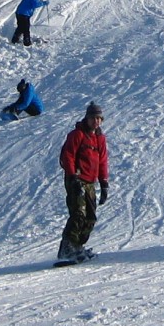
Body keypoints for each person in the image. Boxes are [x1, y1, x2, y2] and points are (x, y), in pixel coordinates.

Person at [56, 103, 110, 265]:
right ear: (87, 118)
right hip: (76, 179)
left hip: (90, 181)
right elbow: (68, 156)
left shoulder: (100, 138)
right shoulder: (77, 135)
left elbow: (102, 161)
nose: (96, 122)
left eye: (99, 118)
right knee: (78, 213)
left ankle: (77, 245)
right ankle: (67, 248)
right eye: (93, 118)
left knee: (91, 216)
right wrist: (72, 178)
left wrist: (104, 183)